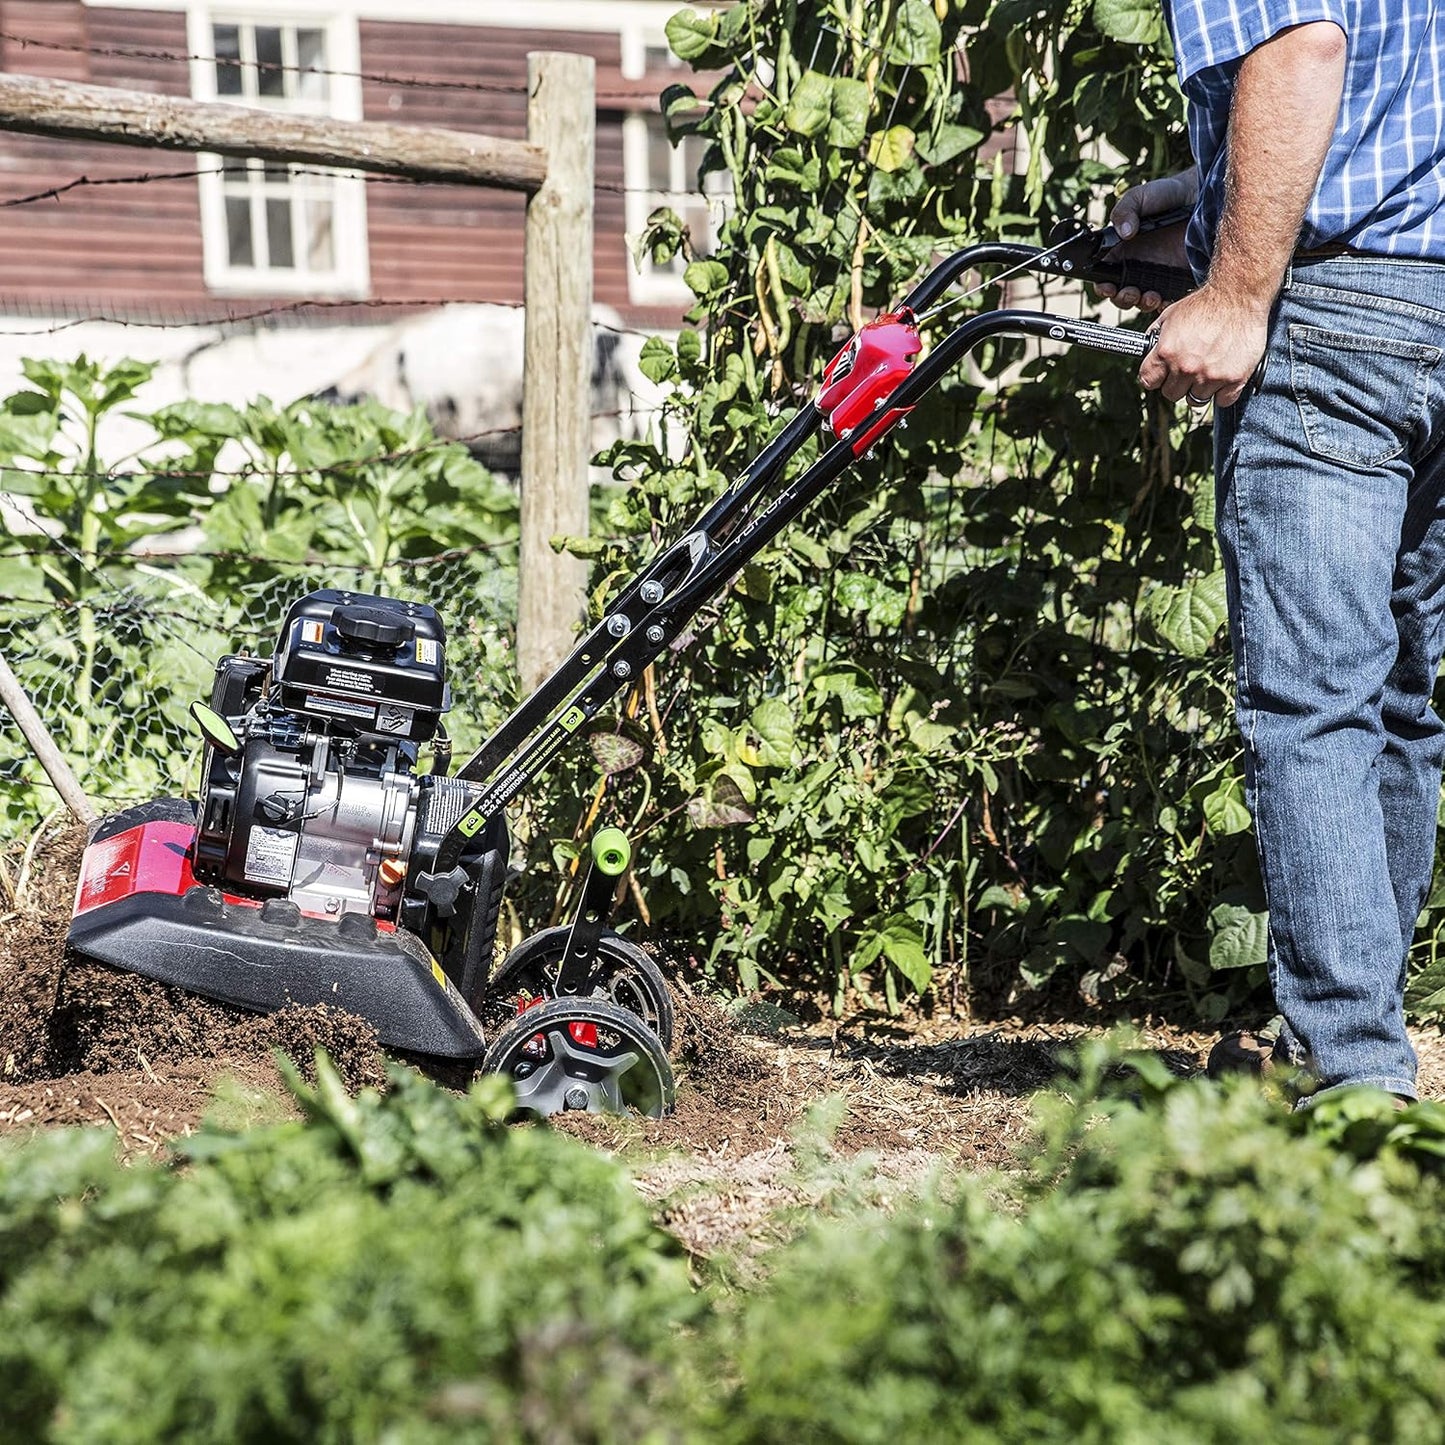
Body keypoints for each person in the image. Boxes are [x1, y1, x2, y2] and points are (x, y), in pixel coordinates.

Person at [1105, 4, 1445, 1102]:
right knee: (1397, 695)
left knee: (1313, 700)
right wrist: (1201, 201)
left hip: (1334, 320)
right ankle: (1357, 1045)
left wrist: (1238, 292)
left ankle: (1351, 1073)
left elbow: (1303, 47)